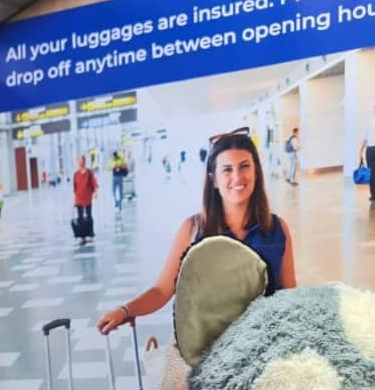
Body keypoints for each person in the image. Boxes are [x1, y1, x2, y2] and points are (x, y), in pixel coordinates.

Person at [97, 132, 296, 335]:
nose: (237, 176)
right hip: (213, 348)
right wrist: (125, 310)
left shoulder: (277, 229)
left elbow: (289, 297)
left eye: (244, 166)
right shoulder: (193, 230)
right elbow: (162, 290)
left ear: (256, 172)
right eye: (227, 170)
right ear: (214, 180)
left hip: (268, 344)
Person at [71, 155, 97, 245]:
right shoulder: (76, 174)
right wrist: (75, 200)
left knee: (89, 215)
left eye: (81, 160)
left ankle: (90, 231)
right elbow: (75, 188)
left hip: (87, 197)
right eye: (78, 160)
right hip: (79, 198)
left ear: (84, 161)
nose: (79, 162)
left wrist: (95, 193)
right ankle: (82, 237)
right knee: (80, 217)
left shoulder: (89, 172)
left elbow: (94, 183)